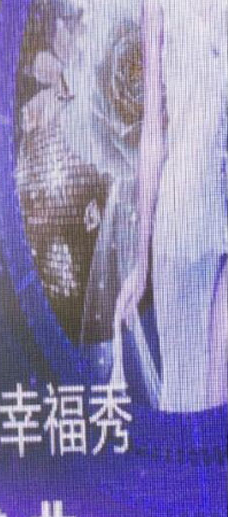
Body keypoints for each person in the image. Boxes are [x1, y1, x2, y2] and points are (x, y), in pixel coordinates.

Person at [113, 0, 228, 412]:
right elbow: (152, 134)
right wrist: (140, 260)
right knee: (189, 394)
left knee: (220, 386)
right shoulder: (158, 6)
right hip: (184, 220)